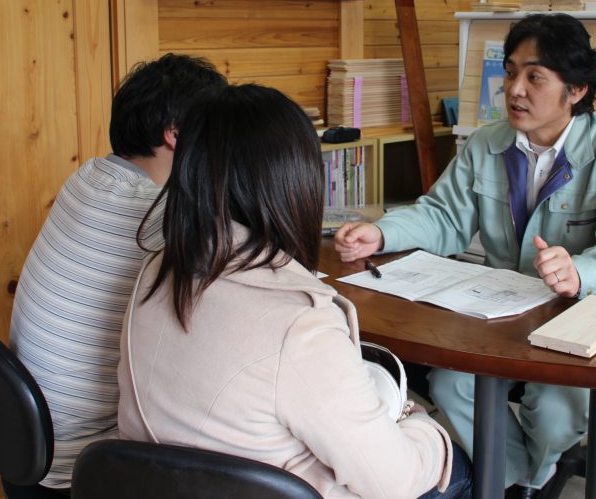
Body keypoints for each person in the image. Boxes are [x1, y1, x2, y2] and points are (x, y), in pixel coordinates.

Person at [335, 13, 596, 495]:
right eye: (511, 73)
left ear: (575, 90)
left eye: (535, 77)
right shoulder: (487, 143)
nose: (514, 90)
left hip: (579, 317)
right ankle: (517, 479)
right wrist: (382, 234)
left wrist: (581, 270)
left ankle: (530, 473)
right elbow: (443, 216)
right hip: (501, 316)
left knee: (554, 412)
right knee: (450, 386)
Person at [117, 84, 472, 499]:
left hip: (160, 487)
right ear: (294, 180)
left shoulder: (156, 271)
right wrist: (424, 427)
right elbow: (393, 481)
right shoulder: (300, 321)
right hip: (272, 487)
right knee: (456, 467)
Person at [9, 54, 227, 489]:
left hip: (25, 440)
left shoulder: (86, 177)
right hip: (83, 461)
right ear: (175, 134)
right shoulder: (160, 215)